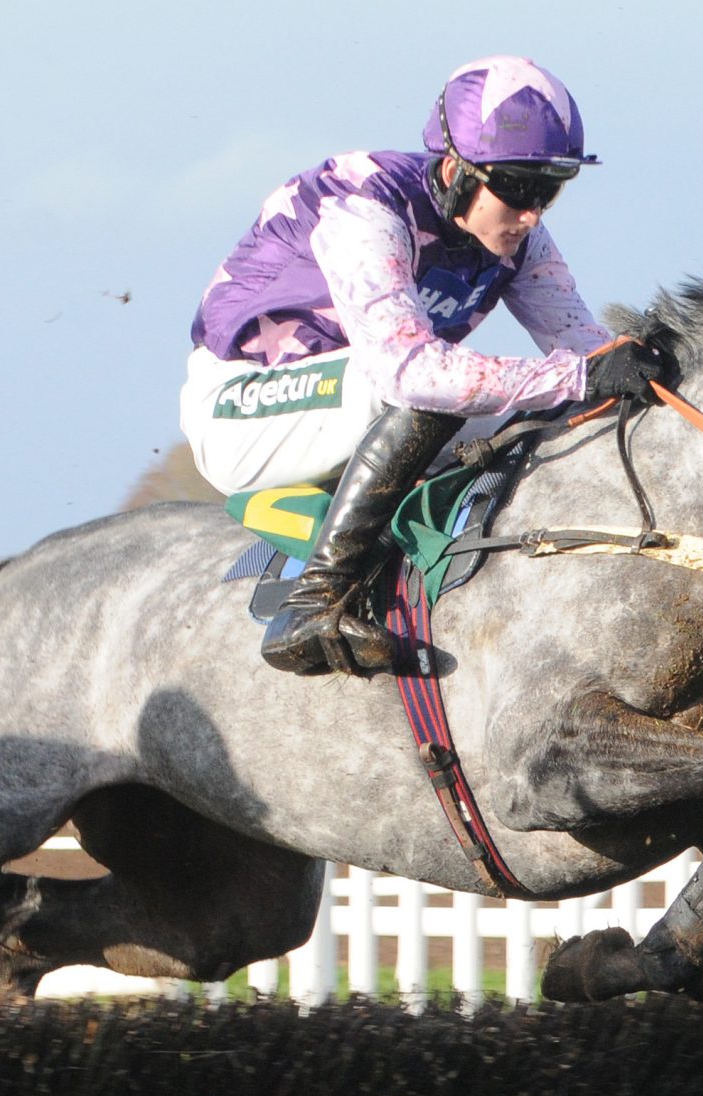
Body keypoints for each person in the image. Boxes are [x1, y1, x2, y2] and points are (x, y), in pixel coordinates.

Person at [182, 55, 671, 676]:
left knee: (546, 425)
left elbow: (584, 350)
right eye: (518, 188)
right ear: (456, 169)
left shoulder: (519, 238)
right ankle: (314, 601)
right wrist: (577, 376)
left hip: (360, 405)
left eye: (550, 189)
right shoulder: (363, 206)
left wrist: (646, 363)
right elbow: (410, 371)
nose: (532, 213)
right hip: (242, 408)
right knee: (430, 390)